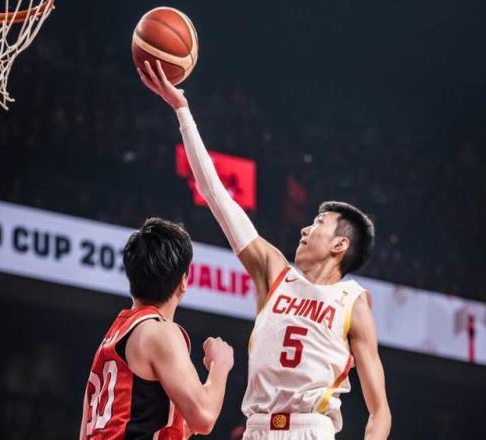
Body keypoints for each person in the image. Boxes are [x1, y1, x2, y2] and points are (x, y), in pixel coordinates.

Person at [138, 60, 391, 439]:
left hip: (311, 430)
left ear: (340, 244)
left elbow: (379, 411)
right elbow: (216, 194)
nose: (305, 229)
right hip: (257, 428)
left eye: (318, 224)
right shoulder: (274, 272)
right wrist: (182, 111)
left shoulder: (352, 303)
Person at [79, 217, 234, 439]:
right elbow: (204, 417)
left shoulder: (113, 336)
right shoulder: (159, 332)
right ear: (183, 281)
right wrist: (221, 363)